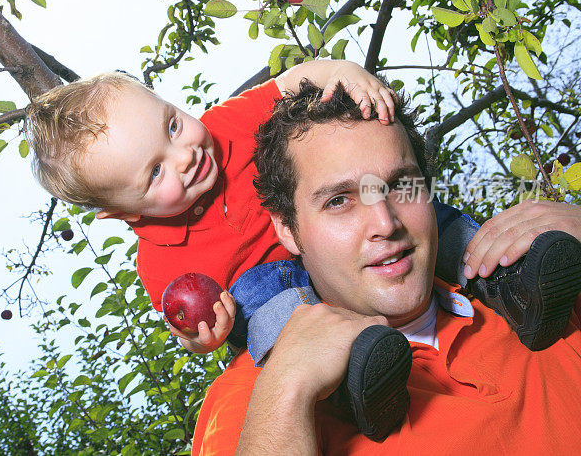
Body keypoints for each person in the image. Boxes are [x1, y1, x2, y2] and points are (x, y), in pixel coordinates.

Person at [191, 80, 581, 455]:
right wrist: (286, 394)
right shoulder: (255, 397)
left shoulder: (541, 293)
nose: (385, 223)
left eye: (399, 186)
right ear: (288, 230)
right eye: (339, 200)